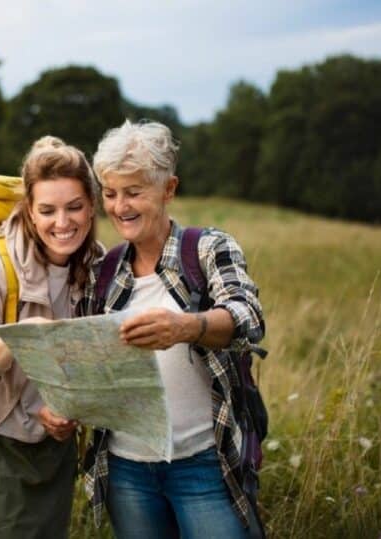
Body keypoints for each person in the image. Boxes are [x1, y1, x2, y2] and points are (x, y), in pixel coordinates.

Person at [81, 120, 266, 538]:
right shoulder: (103, 270)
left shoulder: (207, 248)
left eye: (134, 192)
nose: (120, 206)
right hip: (126, 468)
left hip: (202, 464)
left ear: (168, 189)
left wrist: (188, 326)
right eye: (110, 193)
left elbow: (248, 315)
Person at [0, 136, 102, 538]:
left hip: (53, 456)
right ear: (29, 211)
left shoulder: (97, 265)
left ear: (92, 206)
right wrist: (15, 340)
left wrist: (67, 408)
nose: (62, 223)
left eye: (74, 207)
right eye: (47, 210)